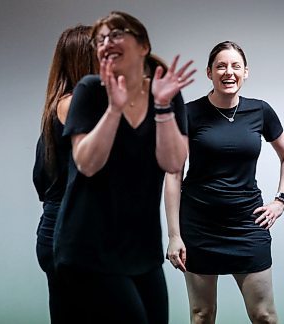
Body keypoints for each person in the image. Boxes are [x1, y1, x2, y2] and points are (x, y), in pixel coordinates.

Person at [52, 11, 195, 323]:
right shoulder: (90, 91)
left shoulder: (167, 93)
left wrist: (162, 107)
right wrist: (114, 109)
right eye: (100, 39)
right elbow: (87, 164)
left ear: (142, 45)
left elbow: (173, 162)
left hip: (141, 247)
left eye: (116, 34)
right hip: (87, 247)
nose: (106, 43)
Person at [164, 41, 284, 323]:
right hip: (199, 225)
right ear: (209, 72)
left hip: (247, 225)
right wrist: (174, 235)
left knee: (264, 315)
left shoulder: (260, 111)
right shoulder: (189, 113)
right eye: (221, 66)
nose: (229, 72)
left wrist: (280, 200)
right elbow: (174, 173)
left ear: (245, 72)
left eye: (236, 66)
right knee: (202, 315)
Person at [32, 24, 97, 323]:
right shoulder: (74, 105)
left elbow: (41, 180)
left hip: (66, 230)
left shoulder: (59, 105)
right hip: (72, 235)